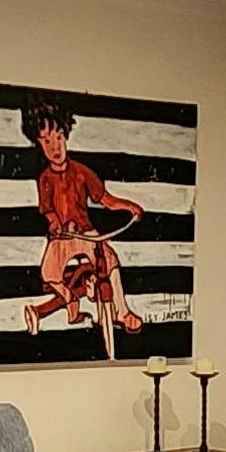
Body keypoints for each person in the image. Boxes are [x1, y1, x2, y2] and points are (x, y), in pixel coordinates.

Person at [17, 99, 149, 354]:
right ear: (39, 144)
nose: (54, 146)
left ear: (65, 135)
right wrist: (56, 225)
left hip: (85, 234)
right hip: (62, 237)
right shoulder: (44, 179)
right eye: (46, 141)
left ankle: (122, 310)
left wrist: (130, 206)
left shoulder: (81, 172)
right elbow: (48, 212)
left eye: (58, 137)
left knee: (109, 259)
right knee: (49, 273)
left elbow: (105, 199)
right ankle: (69, 296)